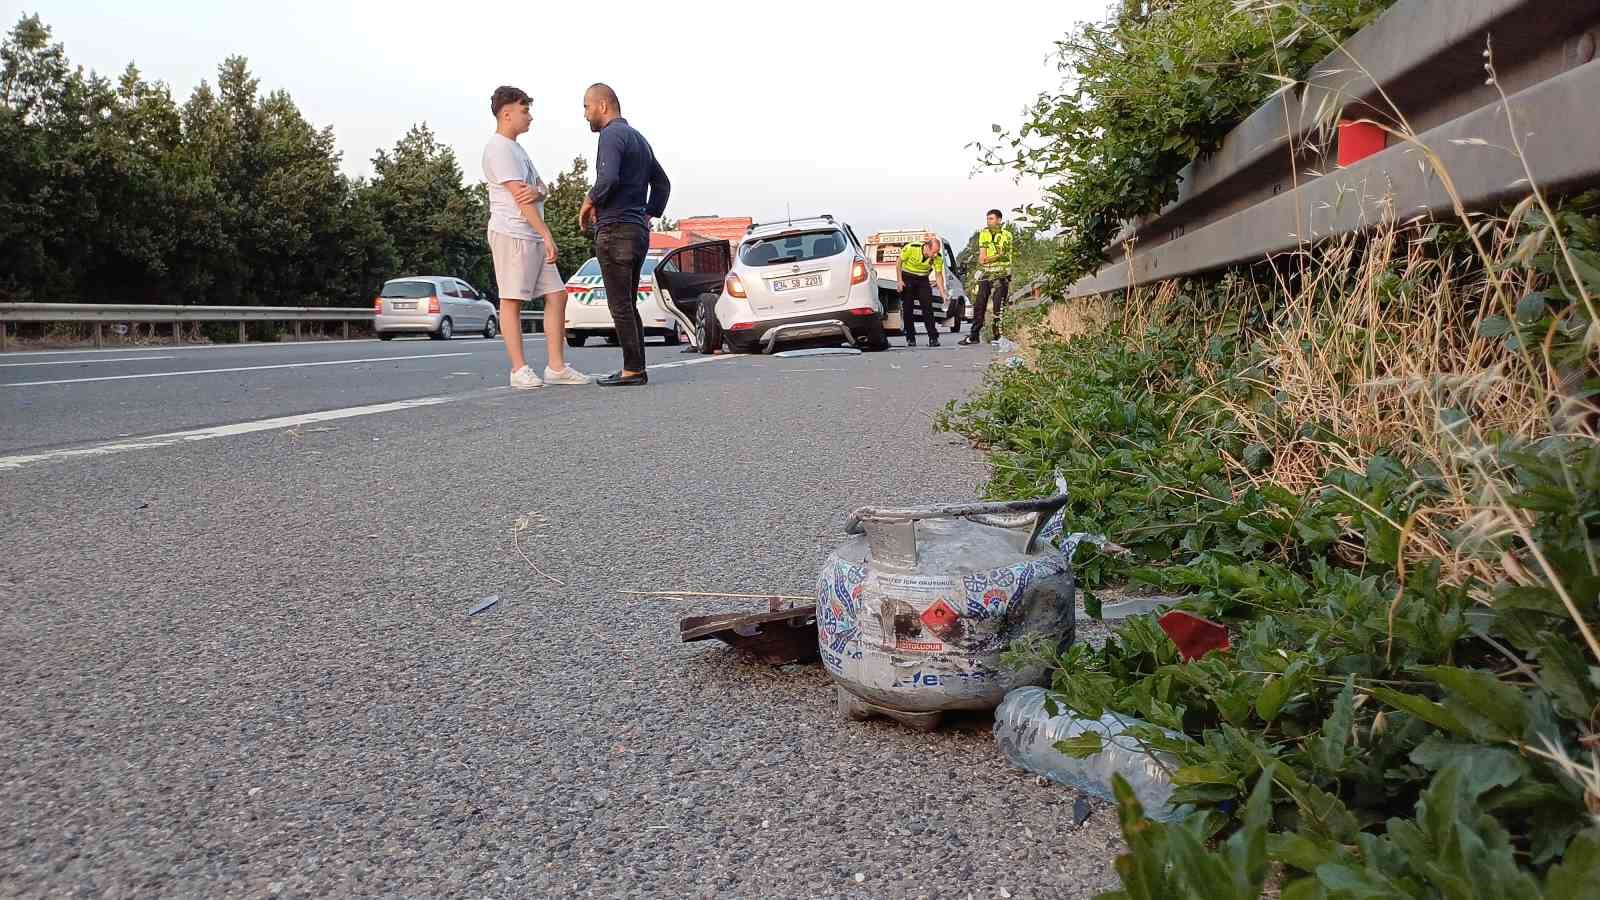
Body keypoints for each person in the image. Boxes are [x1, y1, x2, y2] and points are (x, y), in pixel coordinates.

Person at [481, 85, 589, 389]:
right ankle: (519, 369)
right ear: (506, 114)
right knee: (512, 299)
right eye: (524, 110)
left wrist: (540, 192)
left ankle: (556, 367)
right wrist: (546, 234)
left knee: (557, 295)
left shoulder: (518, 149)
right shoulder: (499, 148)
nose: (530, 116)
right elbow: (522, 198)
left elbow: (541, 188)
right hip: (512, 233)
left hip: (531, 233)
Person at [578, 83, 671, 387]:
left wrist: (589, 200)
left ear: (603, 106)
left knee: (619, 305)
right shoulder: (639, 140)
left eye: (586, 107)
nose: (585, 114)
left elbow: (608, 177)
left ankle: (633, 369)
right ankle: (636, 367)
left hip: (616, 230)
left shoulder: (611, 135)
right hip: (636, 231)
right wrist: (648, 214)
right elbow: (663, 183)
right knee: (628, 305)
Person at [962, 209, 1014, 346]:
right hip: (987, 273)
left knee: (999, 306)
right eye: (987, 219)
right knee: (979, 304)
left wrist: (991, 258)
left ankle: (998, 336)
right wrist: (996, 256)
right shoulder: (984, 234)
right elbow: (982, 259)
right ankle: (974, 335)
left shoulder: (1007, 235)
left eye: (991, 219)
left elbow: (1003, 255)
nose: (988, 221)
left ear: (999, 220)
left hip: (1001, 274)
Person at [896, 235, 944, 347]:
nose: (935, 255)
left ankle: (933, 338)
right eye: (934, 252)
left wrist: (942, 293)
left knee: (928, 308)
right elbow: (899, 262)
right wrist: (899, 280)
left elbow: (938, 276)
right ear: (927, 247)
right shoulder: (912, 248)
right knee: (908, 309)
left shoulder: (937, 258)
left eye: (937, 252)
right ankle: (910, 338)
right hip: (908, 277)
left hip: (923, 279)